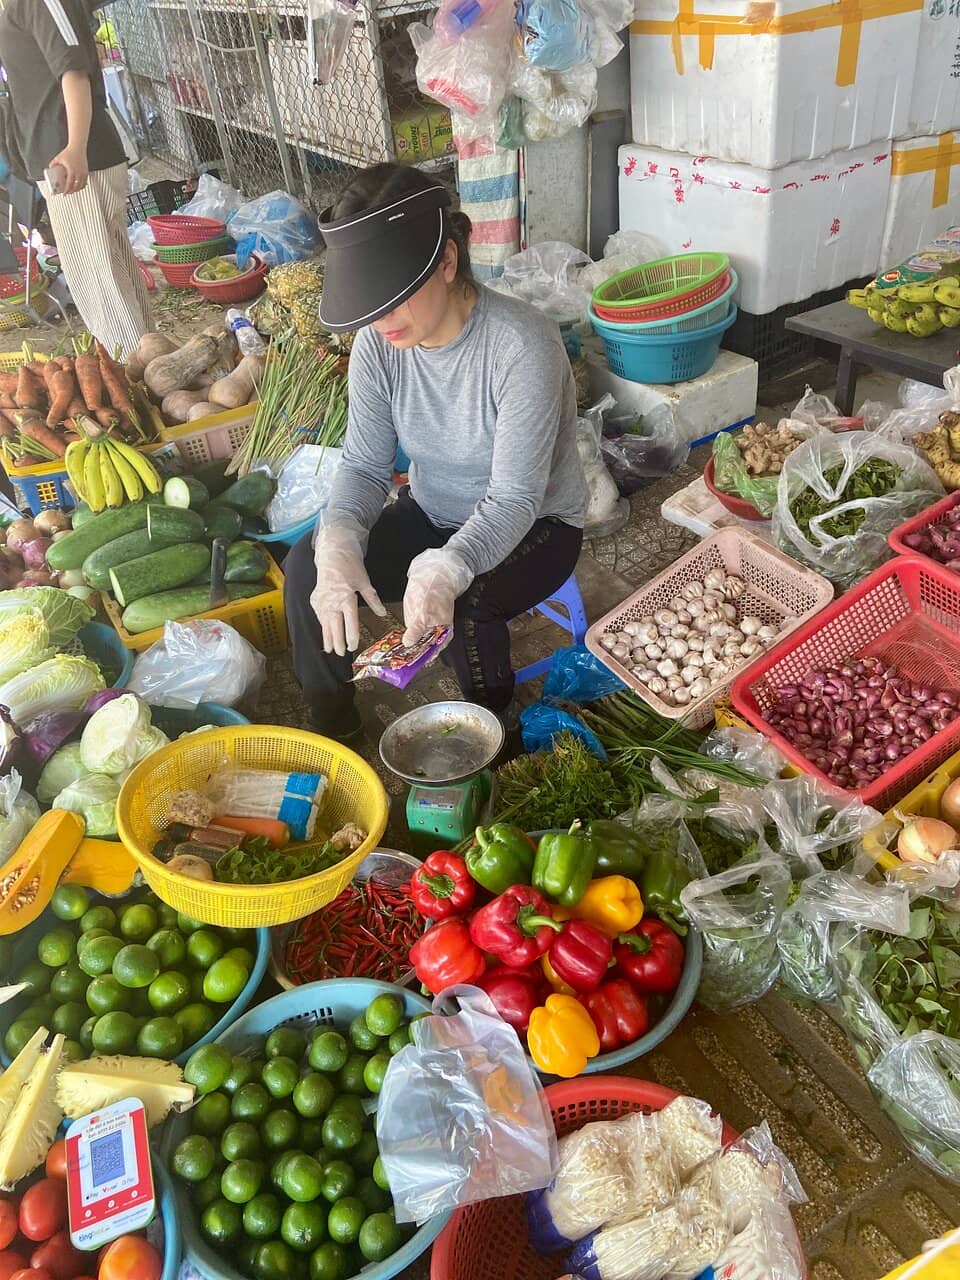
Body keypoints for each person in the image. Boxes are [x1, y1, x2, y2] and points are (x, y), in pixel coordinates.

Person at [284, 162, 587, 739]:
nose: (381, 321)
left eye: (395, 300)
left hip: (536, 525)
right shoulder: (380, 344)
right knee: (307, 565)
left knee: (469, 606)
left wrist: (450, 566)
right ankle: (334, 725)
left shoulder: (522, 346)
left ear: (447, 262)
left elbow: (516, 499)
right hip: (433, 511)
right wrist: (341, 535)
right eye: (371, 308)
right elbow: (367, 464)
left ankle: (492, 734)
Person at [0, 0, 153, 354]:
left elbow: (73, 69)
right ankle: (146, 363)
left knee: (101, 281)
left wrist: (75, 147)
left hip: (73, 160)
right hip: (57, 158)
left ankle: (133, 371)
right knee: (107, 274)